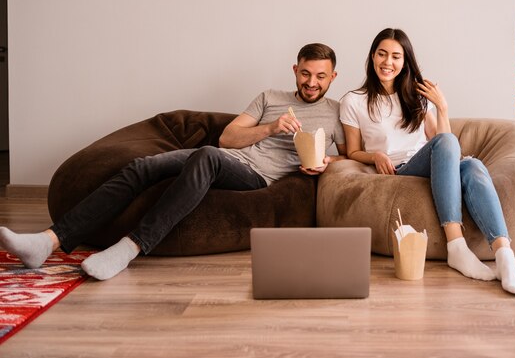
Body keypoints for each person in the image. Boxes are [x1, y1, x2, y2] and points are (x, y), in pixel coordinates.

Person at [0, 43, 346, 281]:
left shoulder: (335, 113)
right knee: (143, 165)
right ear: (295, 69)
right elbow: (226, 138)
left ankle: (130, 247)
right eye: (305, 73)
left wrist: (323, 163)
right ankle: (48, 241)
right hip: (227, 157)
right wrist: (270, 127)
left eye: (320, 76)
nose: (311, 83)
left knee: (206, 156)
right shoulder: (270, 98)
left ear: (332, 77)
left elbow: (345, 157)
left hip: (257, 177)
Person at [340, 28, 515, 296]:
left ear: (405, 62)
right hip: (400, 171)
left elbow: (441, 141)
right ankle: (457, 246)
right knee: (452, 146)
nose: (388, 62)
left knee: (472, 165)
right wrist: (375, 156)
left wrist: (442, 108)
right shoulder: (354, 101)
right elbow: (353, 151)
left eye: (396, 56)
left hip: (432, 165)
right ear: (372, 57)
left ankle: (504, 255)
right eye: (382, 54)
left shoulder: (416, 97)